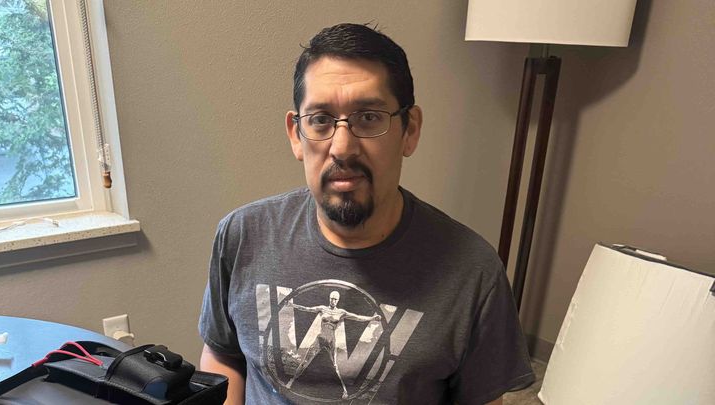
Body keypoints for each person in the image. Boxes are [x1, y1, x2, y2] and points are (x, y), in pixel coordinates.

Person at [199, 23, 535, 405]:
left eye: (369, 117)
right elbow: (223, 356)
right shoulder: (242, 235)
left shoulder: (474, 272)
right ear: (296, 135)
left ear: (410, 130)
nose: (342, 147)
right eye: (321, 119)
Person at [284, 291, 382, 399]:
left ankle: (344, 391)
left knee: (335, 366)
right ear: (329, 298)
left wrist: (372, 318)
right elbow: (307, 308)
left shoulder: (341, 312)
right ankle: (291, 382)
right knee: (304, 361)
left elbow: (357, 317)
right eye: (332, 298)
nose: (333, 301)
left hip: (331, 340)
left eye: (335, 299)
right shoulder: (323, 308)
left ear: (338, 300)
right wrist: (292, 305)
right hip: (320, 338)